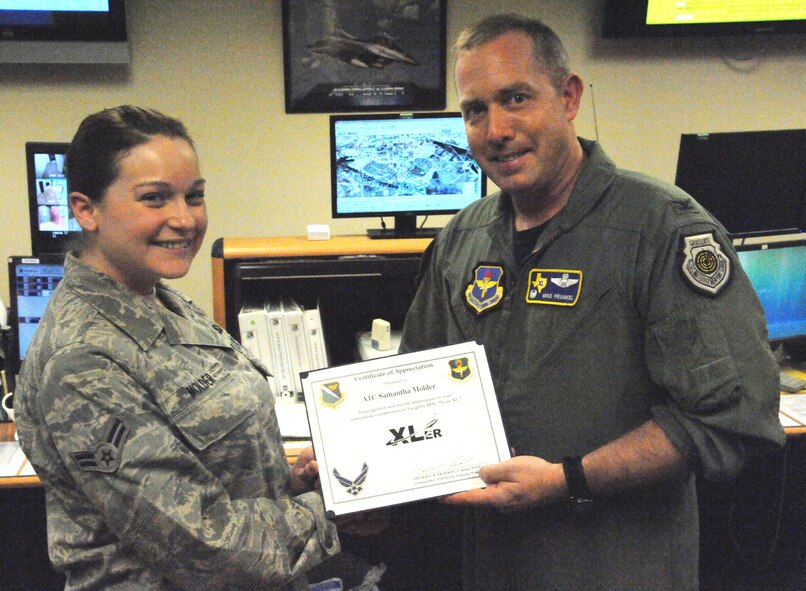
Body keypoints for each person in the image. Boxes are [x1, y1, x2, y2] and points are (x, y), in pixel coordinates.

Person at [399, 13, 786, 591]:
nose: (495, 128)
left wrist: (567, 479)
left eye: (516, 98)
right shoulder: (462, 239)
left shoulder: (663, 230)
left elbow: (732, 420)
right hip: (493, 566)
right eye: (475, 110)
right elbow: (417, 384)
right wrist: (347, 461)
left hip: (617, 567)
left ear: (569, 96)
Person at [14, 106, 341, 590]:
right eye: (155, 198)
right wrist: (340, 506)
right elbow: (206, 545)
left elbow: (206, 470)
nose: (185, 219)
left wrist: (290, 484)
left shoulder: (155, 297)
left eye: (195, 196)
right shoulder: (83, 359)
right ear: (86, 209)